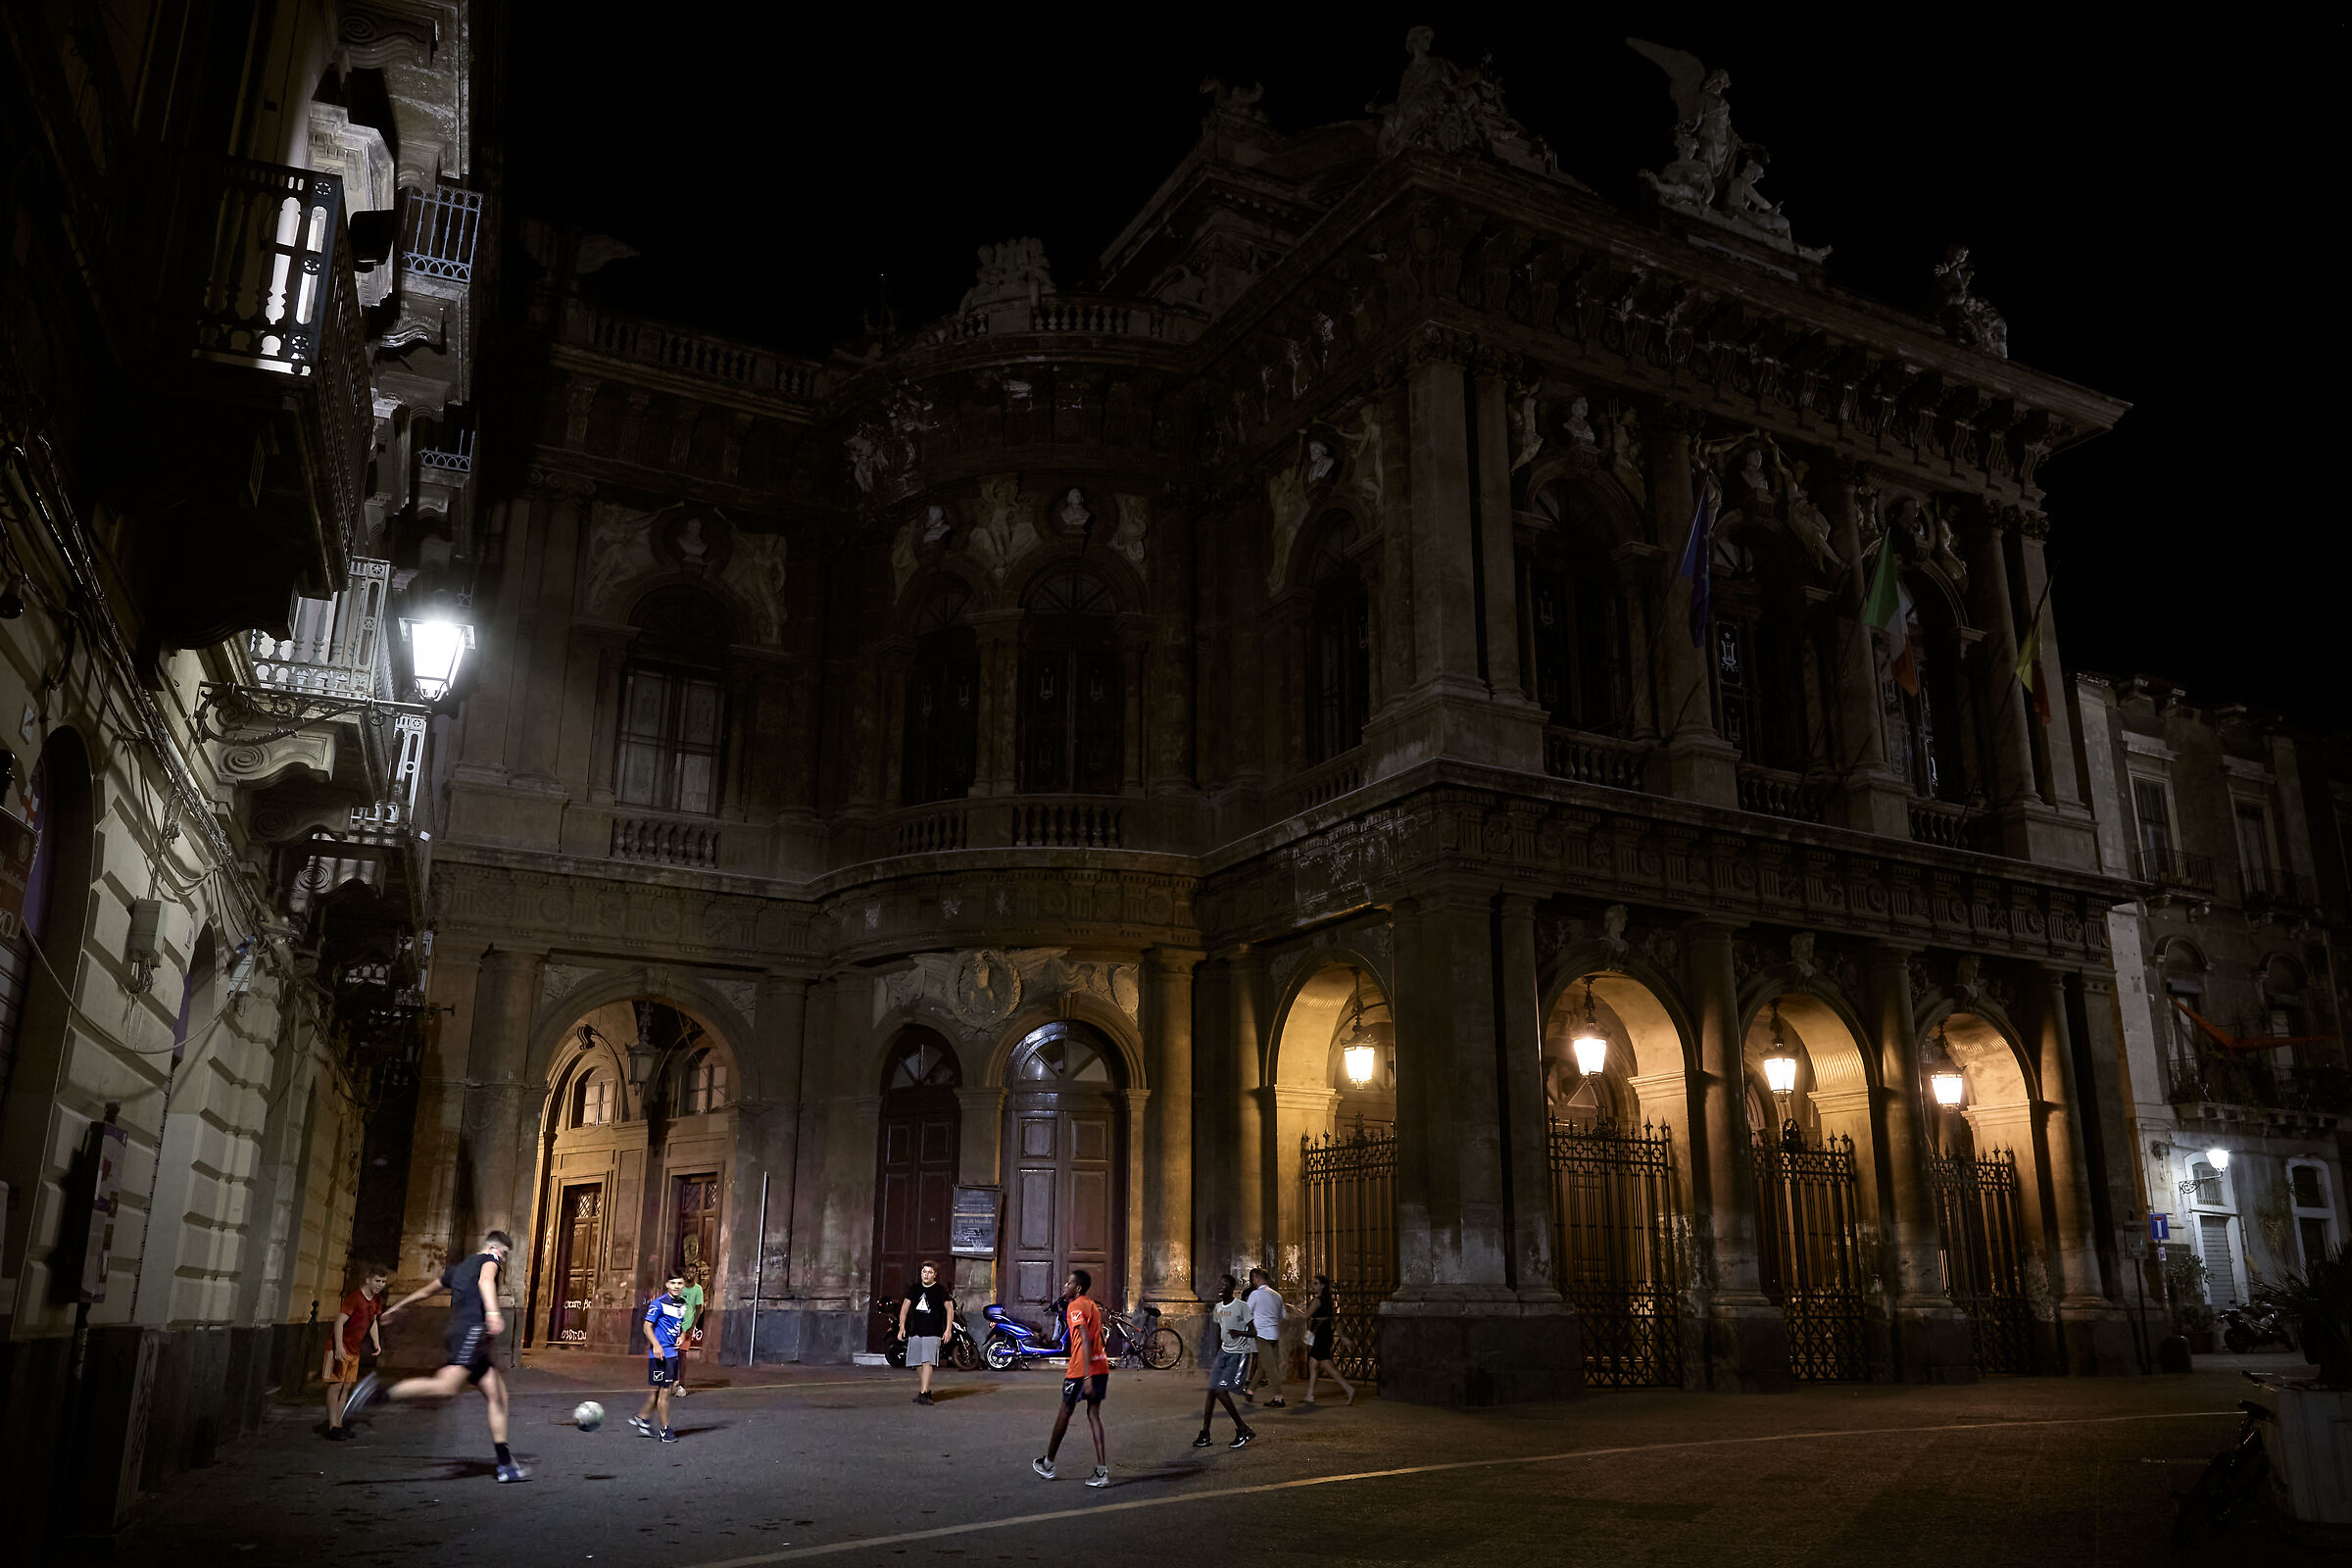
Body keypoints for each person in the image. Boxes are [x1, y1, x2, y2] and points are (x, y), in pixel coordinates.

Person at [346, 1231, 527, 1483]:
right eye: (505, 1254)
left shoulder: (458, 1269)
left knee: (498, 1395)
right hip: (471, 1332)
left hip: (466, 1335)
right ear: (496, 1249)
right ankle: (379, 1393)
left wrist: (397, 1308)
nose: (504, 1260)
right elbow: (486, 1282)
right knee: (446, 1386)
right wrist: (494, 1313)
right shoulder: (490, 1260)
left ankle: (506, 1464)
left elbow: (425, 1292)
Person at [1031, 1268, 1110, 1488]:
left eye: (1068, 1283)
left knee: (1064, 1414)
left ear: (1078, 1288)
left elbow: (1085, 1338)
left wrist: (1086, 1375)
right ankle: (1102, 1470)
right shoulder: (1092, 1305)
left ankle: (1048, 1464)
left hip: (1081, 1370)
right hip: (1101, 1365)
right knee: (1094, 1415)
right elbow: (1099, 1337)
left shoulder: (1075, 1306)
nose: (1064, 1286)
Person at [322, 1264, 388, 1440]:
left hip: (355, 1348)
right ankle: (332, 1426)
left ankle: (339, 1424)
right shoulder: (355, 1298)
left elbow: (373, 1321)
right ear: (368, 1279)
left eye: (383, 1281)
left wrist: (376, 1341)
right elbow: (339, 1322)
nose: (380, 1284)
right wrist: (338, 1346)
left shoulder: (376, 1299)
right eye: (377, 1280)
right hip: (340, 1346)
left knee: (346, 1387)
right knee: (336, 1386)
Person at [1196, 1274, 1257, 1449]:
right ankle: (1205, 1433)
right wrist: (1216, 1357)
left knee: (1221, 1391)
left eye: (1224, 1285)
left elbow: (1254, 1332)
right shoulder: (1217, 1308)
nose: (1220, 1287)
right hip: (1223, 1353)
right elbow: (1218, 1333)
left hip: (1238, 1354)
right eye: (1219, 1284)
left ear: (1232, 1288)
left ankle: (1243, 1429)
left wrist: (1240, 1333)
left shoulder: (1242, 1307)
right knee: (1211, 1391)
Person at [630, 1275, 690, 1443]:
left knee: (658, 1391)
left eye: (679, 1283)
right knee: (665, 1392)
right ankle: (665, 1430)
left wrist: (682, 1335)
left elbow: (681, 1325)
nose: (676, 1286)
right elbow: (646, 1326)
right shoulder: (658, 1303)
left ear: (683, 1285)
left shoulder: (682, 1303)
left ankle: (642, 1418)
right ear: (667, 1284)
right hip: (660, 1355)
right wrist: (656, 1344)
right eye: (673, 1283)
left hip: (672, 1354)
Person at [897, 1260, 956, 1404]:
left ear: (934, 1275)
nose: (926, 1275)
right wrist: (902, 1327)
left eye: (930, 1272)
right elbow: (904, 1308)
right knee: (917, 1362)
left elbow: (950, 1309)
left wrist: (948, 1330)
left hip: (933, 1331)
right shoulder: (914, 1289)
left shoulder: (940, 1290)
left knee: (927, 1361)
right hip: (915, 1330)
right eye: (924, 1272)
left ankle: (924, 1394)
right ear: (921, 1273)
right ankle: (926, 1389)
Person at [1302, 1275, 1355, 1405]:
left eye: (1316, 1283)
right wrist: (1342, 1336)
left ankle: (1349, 1389)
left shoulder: (1317, 1301)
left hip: (1320, 1336)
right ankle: (1309, 1395)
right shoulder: (1328, 1300)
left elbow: (1306, 1316)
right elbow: (1334, 1321)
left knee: (1327, 1366)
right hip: (1326, 1335)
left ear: (1322, 1286)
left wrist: (1292, 1311)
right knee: (1313, 1363)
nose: (1313, 1285)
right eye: (1312, 1283)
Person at [1245, 1267, 1289, 1407]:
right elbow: (1283, 1316)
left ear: (1257, 1279)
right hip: (1274, 1335)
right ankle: (1250, 1391)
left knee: (1270, 1368)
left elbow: (1246, 1312)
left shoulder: (1255, 1295)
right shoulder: (1277, 1295)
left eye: (1254, 1279)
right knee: (1263, 1366)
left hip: (1262, 1335)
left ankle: (1278, 1398)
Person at [670, 1263, 708, 1400]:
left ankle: (681, 1385)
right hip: (675, 1325)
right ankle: (673, 1381)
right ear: (685, 1273)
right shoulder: (679, 1287)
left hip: (687, 1327)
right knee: (672, 1355)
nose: (691, 1274)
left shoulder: (698, 1289)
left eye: (693, 1272)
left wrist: (692, 1326)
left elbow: (698, 1308)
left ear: (696, 1273)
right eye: (689, 1271)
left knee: (682, 1354)